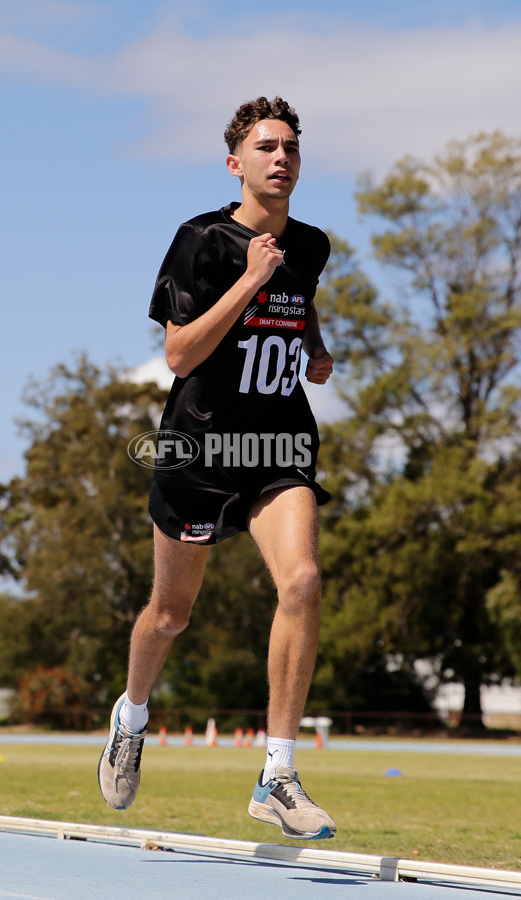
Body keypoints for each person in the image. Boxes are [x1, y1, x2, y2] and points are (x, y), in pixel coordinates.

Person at [98, 96, 337, 840]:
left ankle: (278, 774)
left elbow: (299, 305)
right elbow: (177, 355)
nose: (282, 157)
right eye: (267, 147)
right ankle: (131, 717)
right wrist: (248, 282)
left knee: (302, 580)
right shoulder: (199, 241)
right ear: (236, 163)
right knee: (171, 615)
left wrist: (317, 347)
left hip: (277, 445)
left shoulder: (313, 245)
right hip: (200, 450)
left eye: (292, 147)